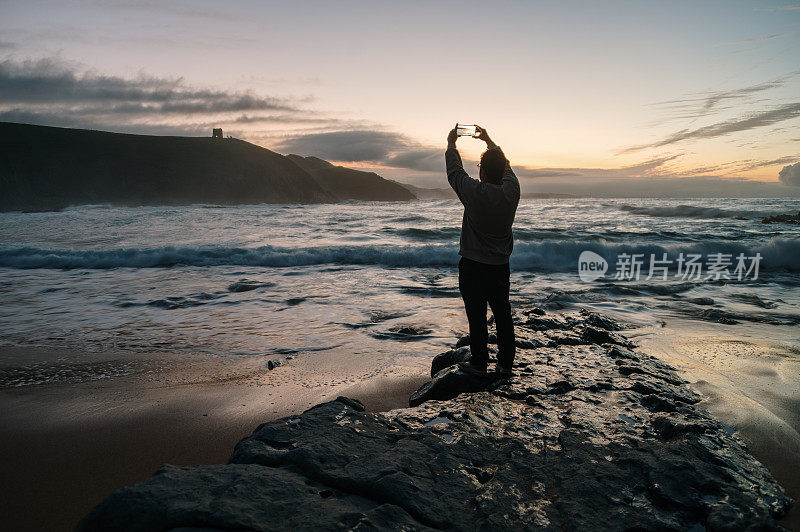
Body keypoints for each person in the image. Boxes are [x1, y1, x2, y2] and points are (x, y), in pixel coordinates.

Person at [446, 124, 520, 377]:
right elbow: (506, 167)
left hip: (473, 264)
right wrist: (490, 142)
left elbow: (454, 173)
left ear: (483, 172)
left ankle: (479, 362)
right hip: (500, 266)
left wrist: (451, 144)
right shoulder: (512, 192)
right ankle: (505, 365)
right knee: (502, 313)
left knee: (476, 316)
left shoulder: (474, 192)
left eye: (480, 168)